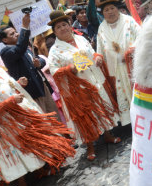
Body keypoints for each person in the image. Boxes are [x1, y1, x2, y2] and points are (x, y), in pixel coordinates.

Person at [0, 43, 74, 186]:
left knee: (33, 143)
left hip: (21, 114)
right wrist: (10, 101)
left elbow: (8, 87)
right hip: (6, 123)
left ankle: (43, 168)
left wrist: (18, 84)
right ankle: (22, 185)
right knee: (17, 153)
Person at [46, 10, 121, 161]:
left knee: (101, 108)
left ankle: (107, 134)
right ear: (54, 32)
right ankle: (90, 146)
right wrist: (69, 69)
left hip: (94, 80)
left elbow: (92, 52)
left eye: (64, 24)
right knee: (85, 117)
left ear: (69, 25)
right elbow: (54, 71)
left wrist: (97, 57)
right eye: (58, 27)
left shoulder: (80, 39)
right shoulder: (54, 51)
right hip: (77, 89)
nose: (63, 28)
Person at [0, 14, 59, 114]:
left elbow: (39, 59)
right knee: (45, 122)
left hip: (42, 87)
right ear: (5, 40)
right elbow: (19, 49)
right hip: (32, 93)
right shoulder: (6, 52)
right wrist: (25, 27)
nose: (17, 34)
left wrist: (39, 63)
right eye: (12, 34)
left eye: (16, 32)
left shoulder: (24, 47)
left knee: (55, 116)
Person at [96, 0, 141, 126]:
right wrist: (98, 58)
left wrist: (130, 51)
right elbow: (99, 51)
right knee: (124, 95)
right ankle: (134, 123)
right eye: (106, 10)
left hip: (134, 66)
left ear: (117, 8)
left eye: (112, 8)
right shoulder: (101, 28)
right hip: (117, 70)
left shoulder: (128, 21)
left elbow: (141, 37)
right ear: (102, 13)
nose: (110, 12)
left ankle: (145, 117)